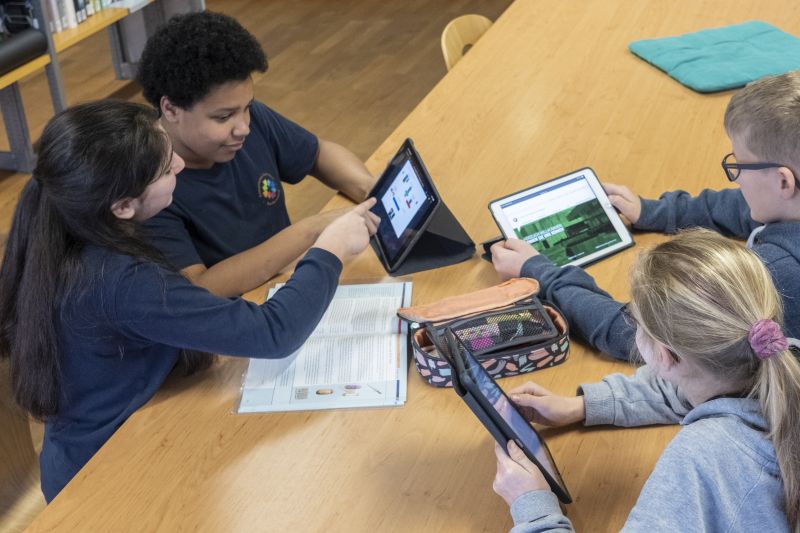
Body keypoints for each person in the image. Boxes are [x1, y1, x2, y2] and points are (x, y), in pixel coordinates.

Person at [0, 100, 379, 502]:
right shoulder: (119, 281)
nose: (179, 166)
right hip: (105, 482)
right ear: (123, 205)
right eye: (166, 168)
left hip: (113, 444)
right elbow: (274, 334)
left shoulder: (69, 232)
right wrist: (329, 252)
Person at [492, 229, 799, 532]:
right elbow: (689, 385)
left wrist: (532, 505)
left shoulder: (701, 457)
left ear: (666, 355)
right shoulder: (784, 358)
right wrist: (583, 406)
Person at [491, 71, 800, 360]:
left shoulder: (773, 274)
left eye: (740, 166)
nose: (736, 179)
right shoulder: (788, 209)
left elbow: (639, 338)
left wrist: (542, 274)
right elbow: (740, 207)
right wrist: (651, 211)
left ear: (784, 181)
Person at [135, 11, 378, 298]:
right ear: (171, 109)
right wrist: (312, 230)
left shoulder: (250, 121)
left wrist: (370, 190)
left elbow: (318, 153)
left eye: (247, 106)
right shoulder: (150, 187)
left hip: (289, 287)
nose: (244, 127)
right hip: (240, 316)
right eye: (223, 117)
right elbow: (198, 287)